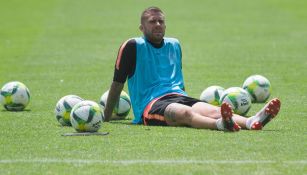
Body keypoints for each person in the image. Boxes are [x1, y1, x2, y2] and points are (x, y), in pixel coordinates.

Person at [103, 6, 281, 132]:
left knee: (212, 110)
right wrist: (106, 116)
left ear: (165, 25)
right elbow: (117, 83)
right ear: (142, 27)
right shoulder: (133, 46)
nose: (157, 24)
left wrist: (184, 96)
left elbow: (178, 77)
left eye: (161, 21)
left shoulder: (174, 44)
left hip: (179, 95)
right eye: (152, 22)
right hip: (151, 104)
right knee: (184, 113)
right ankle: (220, 125)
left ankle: (251, 122)